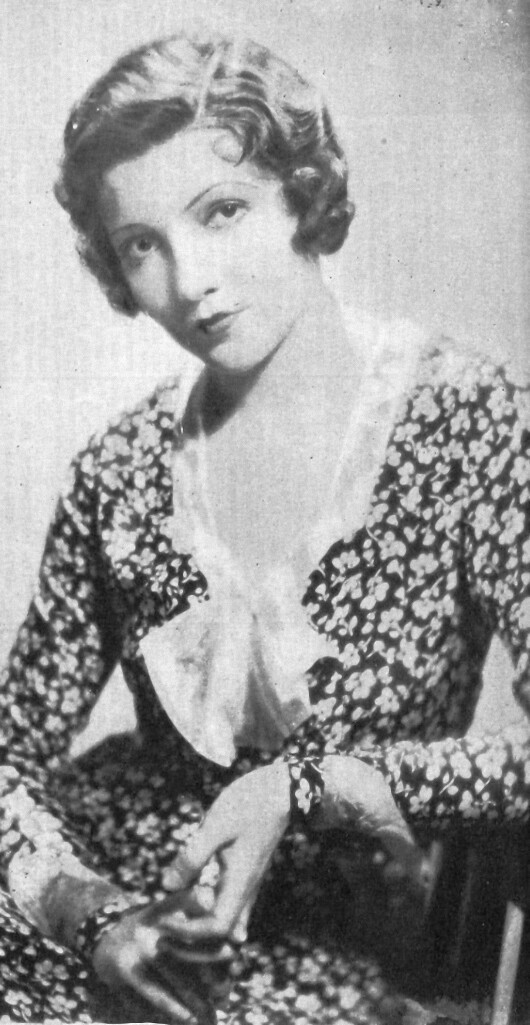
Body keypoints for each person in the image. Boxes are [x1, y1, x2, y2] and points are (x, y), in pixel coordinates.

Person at [0, 30, 529, 1025]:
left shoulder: (463, 415)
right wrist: (89, 910)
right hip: (129, 907)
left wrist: (311, 781)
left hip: (344, 934)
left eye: (222, 210)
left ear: (300, 192)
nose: (191, 279)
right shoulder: (118, 469)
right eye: (141, 244)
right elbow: (6, 752)